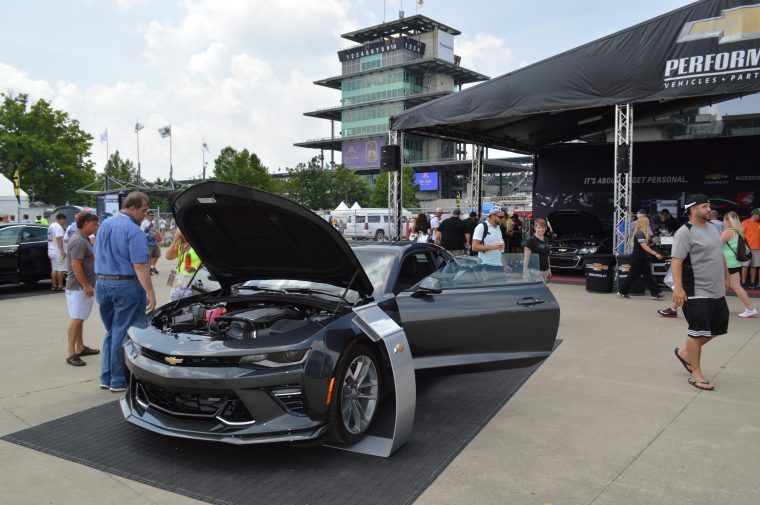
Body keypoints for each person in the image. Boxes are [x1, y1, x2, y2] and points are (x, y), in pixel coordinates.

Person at [94, 191, 156, 393]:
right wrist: (150, 292)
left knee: (113, 330)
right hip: (125, 285)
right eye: (144, 211)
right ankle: (119, 379)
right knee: (125, 333)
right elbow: (140, 265)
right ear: (132, 207)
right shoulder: (134, 230)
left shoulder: (105, 225)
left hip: (102, 282)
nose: (145, 215)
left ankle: (107, 375)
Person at [671, 194, 729, 391]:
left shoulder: (713, 227)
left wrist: (727, 276)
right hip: (696, 289)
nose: (708, 209)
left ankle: (686, 353)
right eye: (704, 206)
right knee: (697, 331)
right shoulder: (684, 232)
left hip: (717, 288)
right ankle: (696, 374)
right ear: (693, 209)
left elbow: (718, 252)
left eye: (709, 206)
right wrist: (678, 288)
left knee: (718, 328)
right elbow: (676, 260)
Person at [64, 213, 100, 366]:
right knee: (77, 319)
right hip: (79, 287)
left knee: (80, 318)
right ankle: (71, 353)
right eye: (94, 223)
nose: (96, 226)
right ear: (85, 223)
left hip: (80, 286)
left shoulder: (81, 238)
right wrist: (86, 285)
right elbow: (76, 265)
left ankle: (80, 347)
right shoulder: (79, 240)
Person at [617, 217, 664, 299]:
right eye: (647, 223)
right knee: (632, 275)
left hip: (643, 258)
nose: (648, 225)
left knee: (648, 275)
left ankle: (655, 293)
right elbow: (644, 246)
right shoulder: (639, 233)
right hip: (637, 258)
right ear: (643, 224)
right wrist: (655, 253)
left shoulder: (643, 234)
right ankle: (622, 292)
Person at [721, 211, 757, 318]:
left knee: (735, 286)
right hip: (734, 262)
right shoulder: (738, 231)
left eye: (724, 219)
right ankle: (719, 307)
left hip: (728, 263)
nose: (723, 221)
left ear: (728, 220)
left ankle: (750, 309)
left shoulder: (728, 232)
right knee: (726, 285)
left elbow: (715, 244)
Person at [165, 229, 203, 301]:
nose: (176, 233)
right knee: (176, 301)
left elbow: (207, 261)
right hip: (179, 279)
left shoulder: (198, 244)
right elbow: (168, 256)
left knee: (191, 302)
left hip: (194, 280)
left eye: (178, 231)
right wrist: (175, 241)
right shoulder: (180, 244)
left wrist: (195, 267)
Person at [472, 206, 506, 271]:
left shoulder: (498, 228)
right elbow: (474, 247)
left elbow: (499, 250)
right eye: (501, 217)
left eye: (504, 217)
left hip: (499, 265)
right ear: (493, 216)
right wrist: (493, 247)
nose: (503, 219)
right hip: (485, 265)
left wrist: (505, 265)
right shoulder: (481, 227)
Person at [523, 218, 552, 282]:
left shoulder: (546, 239)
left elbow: (547, 256)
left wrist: (549, 269)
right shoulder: (531, 240)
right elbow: (526, 258)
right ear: (535, 228)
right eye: (539, 227)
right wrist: (525, 273)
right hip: (534, 271)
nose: (541, 229)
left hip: (545, 270)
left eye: (543, 227)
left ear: (546, 228)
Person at [47, 213, 68, 291]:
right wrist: (62, 250)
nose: (64, 222)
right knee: (60, 269)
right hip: (57, 251)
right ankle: (60, 285)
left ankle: (54, 285)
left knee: (54, 269)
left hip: (51, 250)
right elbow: (58, 239)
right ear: (61, 219)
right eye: (64, 220)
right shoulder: (58, 227)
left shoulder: (51, 226)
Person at [741, 208, 760, 289]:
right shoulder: (745, 222)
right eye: (759, 215)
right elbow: (740, 235)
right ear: (754, 214)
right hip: (747, 248)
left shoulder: (759, 223)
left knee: (754, 266)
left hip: (758, 248)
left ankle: (752, 283)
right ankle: (743, 283)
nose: (759, 217)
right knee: (745, 266)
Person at [141, 210, 161, 275]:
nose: (152, 217)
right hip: (148, 243)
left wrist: (158, 239)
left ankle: (152, 267)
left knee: (157, 255)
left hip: (154, 242)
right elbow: (141, 232)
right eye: (150, 215)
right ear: (147, 216)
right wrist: (148, 234)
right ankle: (148, 269)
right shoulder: (144, 223)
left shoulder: (154, 222)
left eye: (153, 215)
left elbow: (156, 231)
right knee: (149, 256)